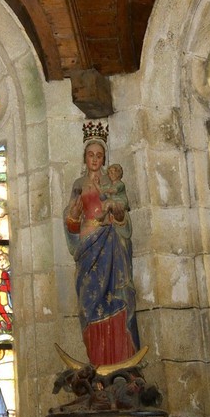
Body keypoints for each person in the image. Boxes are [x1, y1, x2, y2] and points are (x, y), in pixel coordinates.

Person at [64, 134, 145, 369]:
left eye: (99, 155)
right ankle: (97, 365)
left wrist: (118, 214)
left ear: (104, 158)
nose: (95, 159)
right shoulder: (78, 185)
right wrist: (73, 217)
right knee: (89, 305)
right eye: (91, 155)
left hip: (112, 245)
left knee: (119, 299)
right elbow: (70, 222)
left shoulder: (114, 184)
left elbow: (123, 220)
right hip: (88, 249)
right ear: (85, 158)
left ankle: (123, 365)